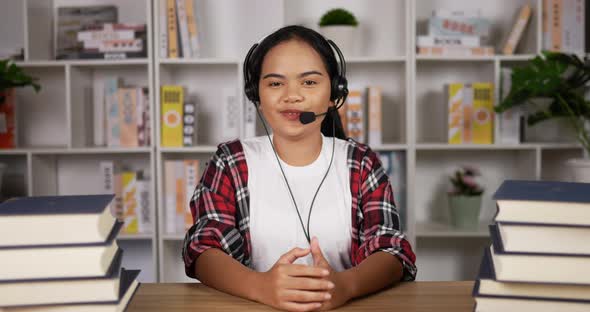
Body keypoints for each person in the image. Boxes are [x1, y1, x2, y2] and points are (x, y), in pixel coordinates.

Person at [182, 25, 416, 312]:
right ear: (256, 94)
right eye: (275, 83)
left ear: (334, 93)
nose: (291, 96)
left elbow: (391, 250)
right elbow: (203, 248)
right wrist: (261, 287)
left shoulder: (361, 162)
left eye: (309, 82)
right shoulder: (230, 161)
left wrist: (344, 286)